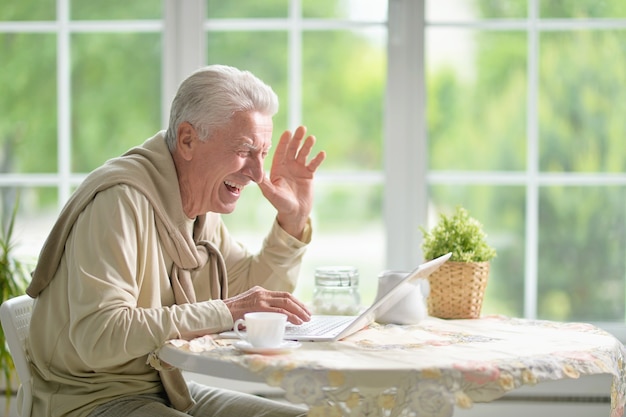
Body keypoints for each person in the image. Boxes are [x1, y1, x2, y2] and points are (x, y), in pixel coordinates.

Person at [25, 64, 326, 417]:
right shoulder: (120, 202)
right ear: (187, 140)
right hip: (90, 399)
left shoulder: (200, 207)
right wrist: (226, 312)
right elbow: (98, 336)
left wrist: (293, 221)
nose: (258, 174)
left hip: (166, 389)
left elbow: (251, 295)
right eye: (245, 150)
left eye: (262, 153)